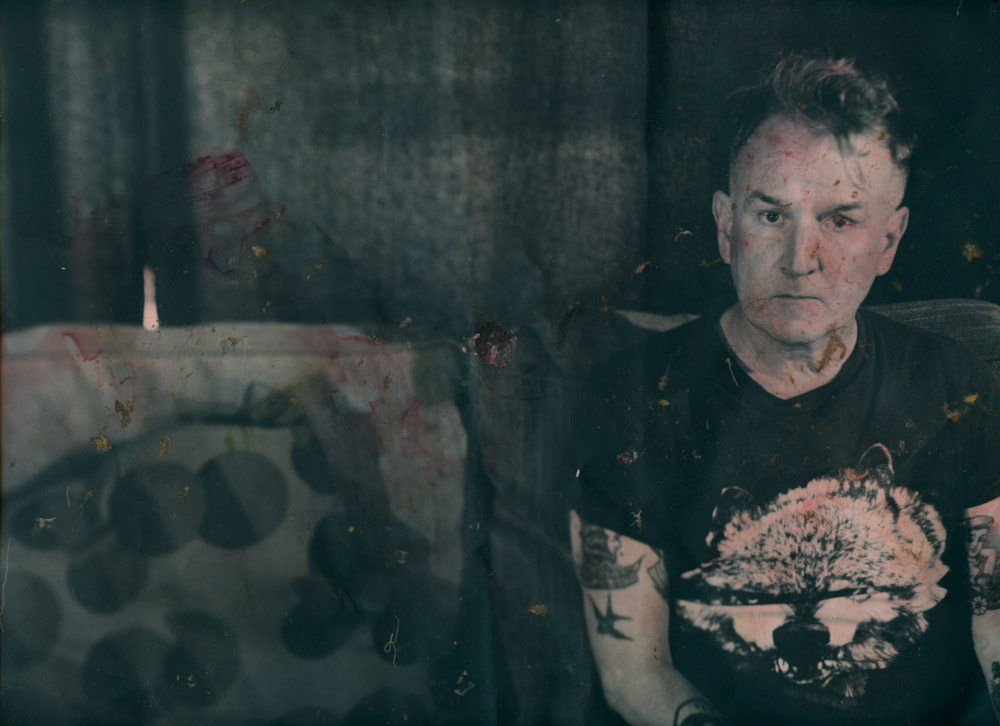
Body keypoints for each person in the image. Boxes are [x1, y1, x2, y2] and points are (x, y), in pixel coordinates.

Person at [568, 53, 1000, 726]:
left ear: (889, 241)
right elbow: (632, 669)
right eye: (771, 216)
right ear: (726, 227)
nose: (802, 260)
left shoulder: (959, 384)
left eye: (841, 220)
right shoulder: (627, 398)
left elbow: (995, 625)